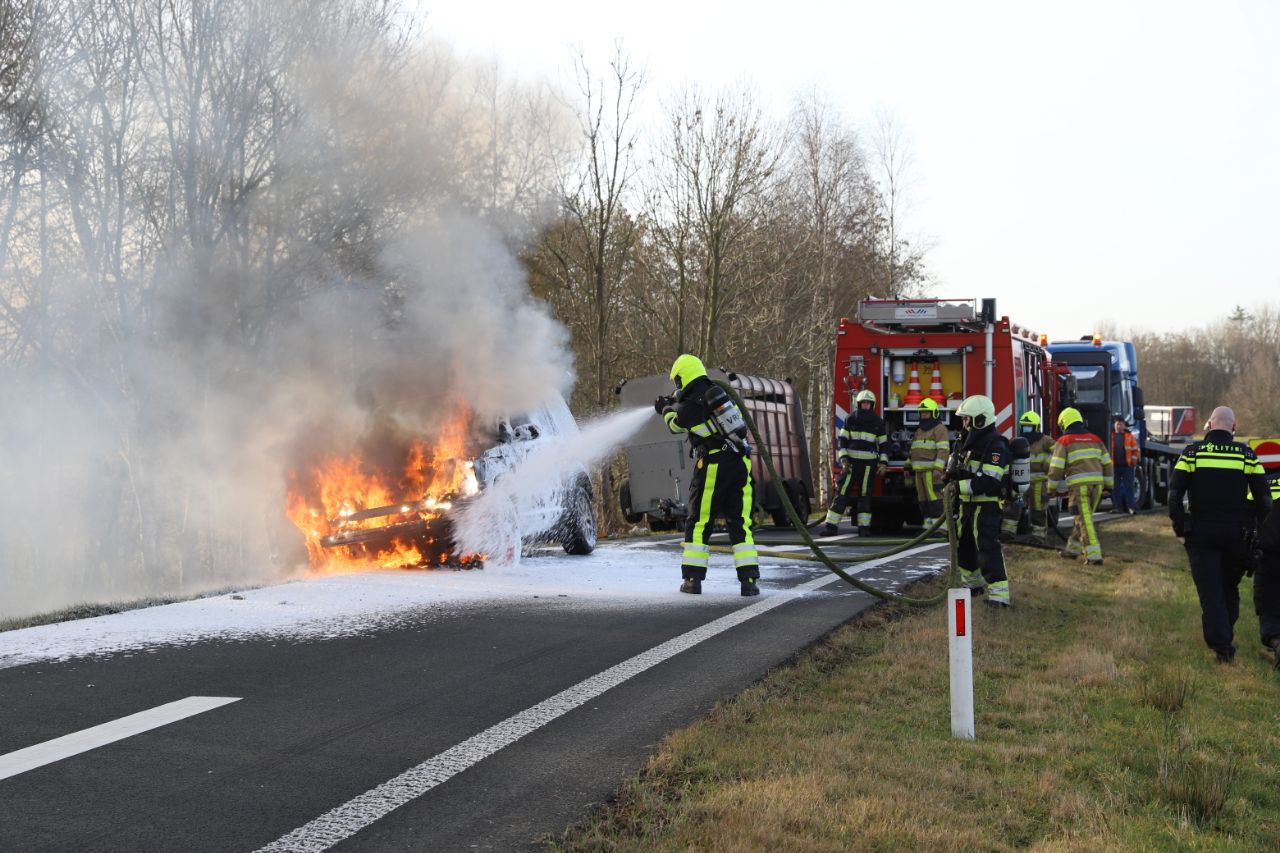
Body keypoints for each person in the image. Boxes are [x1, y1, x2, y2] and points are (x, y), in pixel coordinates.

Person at [1168, 406, 1271, 663]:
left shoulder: (1192, 453)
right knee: (1229, 587)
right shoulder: (1246, 455)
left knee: (1211, 591)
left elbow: (1174, 494)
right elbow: (1264, 499)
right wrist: (1257, 528)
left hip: (1201, 534)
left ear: (1209, 426)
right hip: (1237, 535)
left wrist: (1180, 528)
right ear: (1234, 428)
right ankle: (1225, 636)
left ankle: (1222, 647)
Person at [657, 354, 761, 597]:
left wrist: (664, 409)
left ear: (683, 377)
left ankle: (692, 580)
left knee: (701, 520)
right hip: (740, 462)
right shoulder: (716, 394)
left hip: (714, 464)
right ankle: (749, 582)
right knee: (740, 522)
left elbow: (675, 424)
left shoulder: (690, 405)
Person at [946, 394, 1011, 607]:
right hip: (966, 504)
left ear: (980, 420)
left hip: (986, 505)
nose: (964, 423)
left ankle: (999, 597)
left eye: (967, 419)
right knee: (964, 545)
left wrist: (959, 486)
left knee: (987, 548)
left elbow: (990, 481)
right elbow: (957, 470)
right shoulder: (966, 442)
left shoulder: (996, 445)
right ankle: (972, 586)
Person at [1048, 407, 1113, 565]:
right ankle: (1072, 551)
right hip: (1097, 487)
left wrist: (1050, 489)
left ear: (1064, 424)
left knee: (1085, 522)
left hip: (1079, 488)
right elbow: (1108, 464)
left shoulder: (1064, 442)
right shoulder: (1096, 439)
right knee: (1083, 519)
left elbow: (1056, 468)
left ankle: (1094, 556)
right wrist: (1109, 487)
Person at [821, 388, 888, 537]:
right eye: (863, 403)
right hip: (850, 465)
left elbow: (883, 445)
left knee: (865, 496)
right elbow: (842, 441)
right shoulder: (850, 419)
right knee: (842, 494)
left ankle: (864, 528)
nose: (865, 406)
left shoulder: (878, 422)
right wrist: (844, 460)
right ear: (858, 404)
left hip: (868, 466)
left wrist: (883, 463)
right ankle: (830, 527)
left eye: (867, 403)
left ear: (872, 405)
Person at [1008, 410, 1056, 546]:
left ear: (1036, 427)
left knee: (1038, 509)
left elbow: (1058, 452)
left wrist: (1047, 462)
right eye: (1023, 426)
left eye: (1028, 426)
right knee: (1012, 506)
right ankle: (1008, 532)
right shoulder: (1017, 441)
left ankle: (1039, 536)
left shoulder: (1045, 440)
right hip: (1019, 480)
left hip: (1039, 482)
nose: (1026, 429)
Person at [905, 397, 950, 533]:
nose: (923, 415)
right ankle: (928, 527)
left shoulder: (939, 429)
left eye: (926, 413)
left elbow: (943, 450)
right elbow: (914, 450)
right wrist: (907, 466)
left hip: (932, 472)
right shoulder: (920, 430)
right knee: (923, 501)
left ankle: (940, 528)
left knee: (935, 500)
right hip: (919, 472)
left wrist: (938, 468)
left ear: (934, 413)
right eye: (922, 413)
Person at [1255, 475, 1280, 669]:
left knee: (1269, 603)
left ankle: (1276, 640)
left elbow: (1247, 511)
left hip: (1269, 552)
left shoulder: (1264, 483)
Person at [1110, 417, 1140, 515]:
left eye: (1120, 424)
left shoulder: (1129, 436)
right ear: (1114, 425)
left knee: (1129, 487)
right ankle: (1118, 507)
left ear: (1124, 425)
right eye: (1117, 424)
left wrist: (1133, 462)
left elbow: (1135, 450)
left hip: (1127, 466)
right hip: (1114, 466)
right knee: (1115, 488)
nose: (1118, 426)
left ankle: (1131, 507)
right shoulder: (1110, 436)